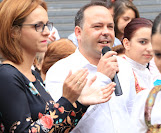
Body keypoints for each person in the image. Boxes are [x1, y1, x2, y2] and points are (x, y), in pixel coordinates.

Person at [0, 0, 116, 132]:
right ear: (14, 31)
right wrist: (67, 100)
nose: (46, 32)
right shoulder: (6, 76)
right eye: (38, 26)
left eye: (47, 25)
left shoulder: (33, 75)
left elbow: (56, 127)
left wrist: (79, 103)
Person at [46, 2, 135, 133]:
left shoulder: (124, 66)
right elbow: (62, 124)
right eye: (97, 27)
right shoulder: (61, 71)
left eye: (110, 27)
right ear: (78, 32)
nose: (106, 32)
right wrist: (102, 77)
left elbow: (131, 115)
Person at [122, 18, 154, 93]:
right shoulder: (120, 71)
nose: (150, 48)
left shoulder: (145, 70)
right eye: (142, 42)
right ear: (127, 44)